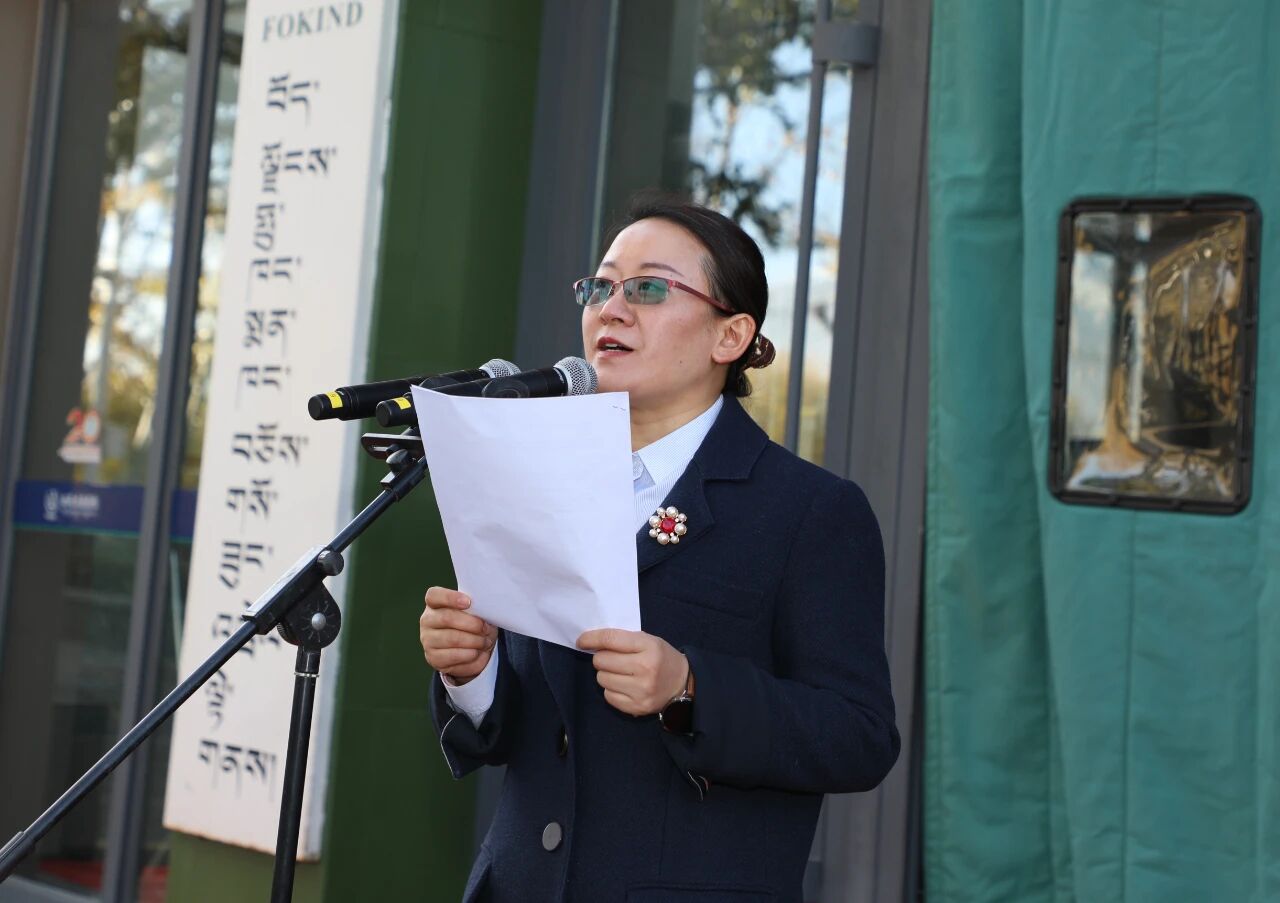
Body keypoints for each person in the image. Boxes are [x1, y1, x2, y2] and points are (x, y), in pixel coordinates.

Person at [419, 193, 899, 903]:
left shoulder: (808, 510)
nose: (610, 308)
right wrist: (473, 675)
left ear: (730, 336)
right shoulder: (540, 481)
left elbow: (858, 736)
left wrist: (689, 687)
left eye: (647, 287)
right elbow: (529, 730)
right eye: (600, 286)